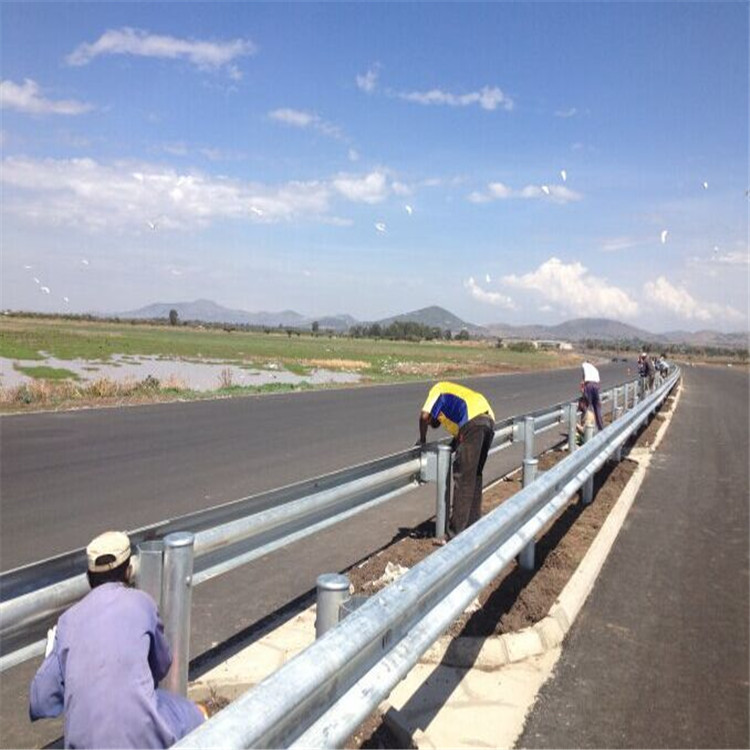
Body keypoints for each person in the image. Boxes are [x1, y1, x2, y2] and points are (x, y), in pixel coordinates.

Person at [29, 531, 206, 749]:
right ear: (129, 571)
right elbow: (162, 666)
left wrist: (53, 657)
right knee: (191, 713)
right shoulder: (143, 603)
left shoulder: (67, 622)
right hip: (142, 739)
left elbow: (41, 702)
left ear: (88, 577)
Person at [418, 382, 495, 540]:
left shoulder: (437, 389)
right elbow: (461, 437)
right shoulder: (454, 402)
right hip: (489, 419)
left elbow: (423, 416)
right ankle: (473, 525)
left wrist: (422, 439)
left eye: (435, 421)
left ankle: (455, 534)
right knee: (475, 475)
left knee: (463, 478)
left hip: (473, 419)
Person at [580, 362, 604, 431]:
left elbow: (584, 378)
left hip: (589, 385)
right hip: (596, 386)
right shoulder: (595, 369)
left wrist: (583, 387)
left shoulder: (584, 365)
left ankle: (585, 427)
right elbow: (599, 382)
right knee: (597, 407)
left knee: (586, 406)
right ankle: (600, 427)